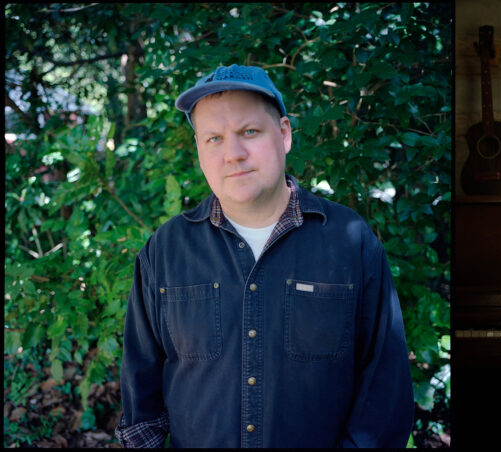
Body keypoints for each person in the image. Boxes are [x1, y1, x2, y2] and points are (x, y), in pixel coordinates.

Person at [114, 64, 414, 448]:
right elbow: (141, 399)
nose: (233, 154)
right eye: (214, 139)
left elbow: (383, 397)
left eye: (249, 132)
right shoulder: (165, 251)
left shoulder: (350, 242)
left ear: (284, 134)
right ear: (199, 151)